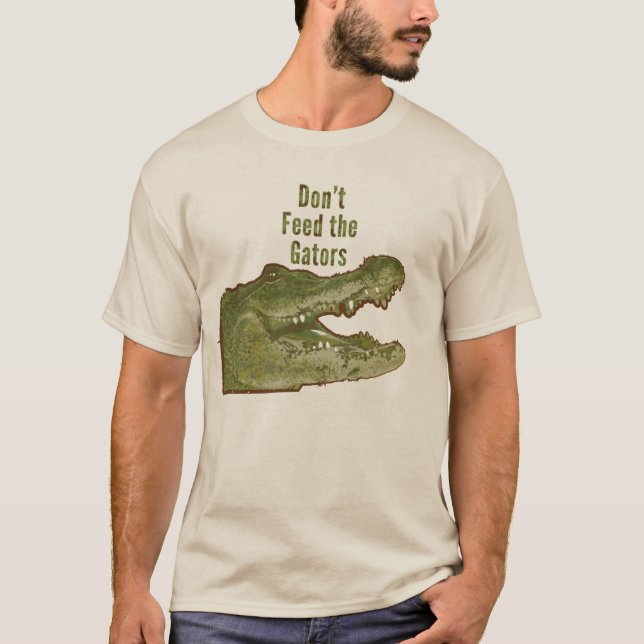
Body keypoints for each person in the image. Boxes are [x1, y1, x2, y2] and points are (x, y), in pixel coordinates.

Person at [102, 1, 542, 642]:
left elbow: (486, 386)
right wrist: (130, 587)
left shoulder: (467, 175)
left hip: (408, 602)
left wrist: (486, 577)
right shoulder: (184, 170)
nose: (429, 11)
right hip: (224, 604)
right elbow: (152, 388)